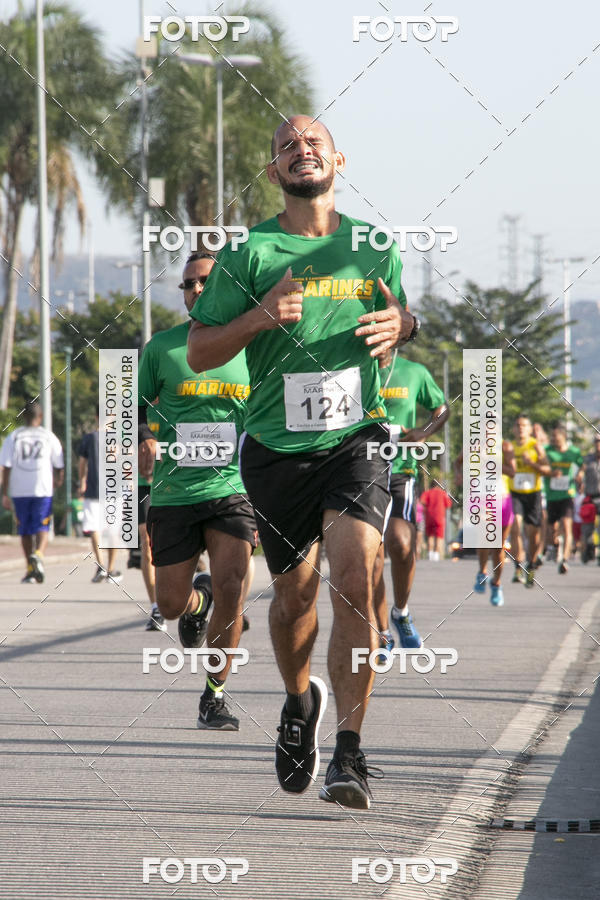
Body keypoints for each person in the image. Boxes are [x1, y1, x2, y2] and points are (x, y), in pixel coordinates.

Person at [187, 115, 415, 809]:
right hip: (276, 451)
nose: (300, 151)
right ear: (274, 171)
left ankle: (349, 755)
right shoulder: (250, 252)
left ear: (338, 158)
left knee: (354, 577)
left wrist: (401, 325)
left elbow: (401, 314)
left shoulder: (373, 244)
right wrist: (258, 317)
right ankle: (296, 704)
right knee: (293, 602)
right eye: (286, 146)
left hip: (358, 438)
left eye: (311, 142)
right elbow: (199, 350)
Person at [138, 251, 258, 730]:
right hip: (172, 492)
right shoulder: (162, 348)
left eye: (205, 282)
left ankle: (214, 696)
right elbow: (130, 408)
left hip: (233, 487)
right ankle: (196, 602)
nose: (196, 291)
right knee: (169, 604)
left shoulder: (254, 348)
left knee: (233, 586)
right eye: (188, 285)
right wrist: (145, 437)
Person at [373, 354, 449, 653]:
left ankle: (400, 613)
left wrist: (423, 433)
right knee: (371, 556)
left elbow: (441, 410)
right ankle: (381, 632)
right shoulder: (352, 367)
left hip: (401, 471)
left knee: (402, 544)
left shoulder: (414, 371)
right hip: (360, 473)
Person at [0, 400, 63, 583]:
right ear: (40, 417)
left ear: (23, 417)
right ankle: (39, 555)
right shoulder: (49, 436)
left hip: (20, 490)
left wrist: (5, 493)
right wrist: (58, 479)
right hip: (42, 489)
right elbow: (59, 463)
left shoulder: (14, 437)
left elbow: (6, 467)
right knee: (42, 526)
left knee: (25, 530)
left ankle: (30, 569)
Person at [78, 410, 123, 584]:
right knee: (113, 529)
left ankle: (101, 564)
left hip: (94, 488)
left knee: (94, 527)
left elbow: (82, 463)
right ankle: (111, 568)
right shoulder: (118, 438)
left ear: (96, 416)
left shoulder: (90, 438)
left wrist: (82, 481)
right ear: (112, 416)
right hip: (114, 489)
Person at [509, 414, 551, 587]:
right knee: (516, 527)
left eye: (524, 425)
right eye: (518, 425)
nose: (520, 428)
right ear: (513, 429)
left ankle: (531, 565)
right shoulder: (509, 447)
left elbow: (547, 469)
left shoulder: (536, 446)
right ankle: (518, 566)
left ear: (530, 428)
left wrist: (531, 464)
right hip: (515, 492)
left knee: (532, 534)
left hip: (533, 494)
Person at [473, 440, 516, 606]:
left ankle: (496, 583)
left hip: (502, 497)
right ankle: (482, 572)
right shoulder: (473, 445)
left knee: (498, 545)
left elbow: (512, 472)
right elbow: (458, 462)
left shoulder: (505, 446)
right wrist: (458, 474)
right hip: (481, 495)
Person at [543, 423, 583, 574]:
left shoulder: (573, 452)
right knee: (551, 530)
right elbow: (540, 465)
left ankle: (565, 560)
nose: (553, 439)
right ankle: (554, 545)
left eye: (555, 436)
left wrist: (579, 475)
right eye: (551, 436)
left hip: (567, 494)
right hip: (552, 495)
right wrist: (549, 472)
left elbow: (581, 465)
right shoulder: (547, 451)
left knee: (567, 526)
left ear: (563, 436)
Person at [420, 481, 452, 560]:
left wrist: (428, 505)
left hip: (429, 517)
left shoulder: (427, 493)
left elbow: (422, 501)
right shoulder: (443, 493)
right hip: (440, 517)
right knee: (439, 536)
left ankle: (430, 554)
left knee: (430, 536)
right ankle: (436, 555)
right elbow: (448, 504)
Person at [583, 432, 600, 564]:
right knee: (587, 528)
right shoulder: (588, 459)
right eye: (596, 441)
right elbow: (579, 473)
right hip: (590, 496)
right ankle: (589, 548)